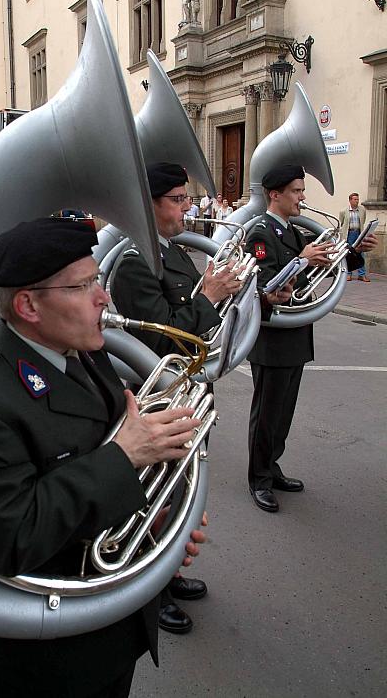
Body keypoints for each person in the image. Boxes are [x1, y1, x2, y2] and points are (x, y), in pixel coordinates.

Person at [0, 217, 206, 698]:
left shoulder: (82, 350)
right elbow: (15, 537)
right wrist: (125, 456)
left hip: (113, 624)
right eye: (83, 286)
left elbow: (99, 462)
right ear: (29, 305)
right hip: (51, 657)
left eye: (97, 279)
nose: (104, 297)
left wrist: (153, 525)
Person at [111, 162, 243, 633]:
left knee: (184, 493)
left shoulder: (173, 252)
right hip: (164, 399)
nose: (187, 208)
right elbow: (161, 341)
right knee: (157, 498)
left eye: (187, 198)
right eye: (177, 200)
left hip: (189, 392)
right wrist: (209, 296)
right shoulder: (134, 263)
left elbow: (199, 323)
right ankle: (152, 590)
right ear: (149, 205)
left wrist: (224, 295)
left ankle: (171, 572)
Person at [244, 165, 377, 514]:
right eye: (296, 191)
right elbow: (263, 283)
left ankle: (272, 467)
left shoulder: (292, 231)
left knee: (283, 413)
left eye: (301, 190)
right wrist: (301, 259)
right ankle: (259, 479)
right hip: (273, 337)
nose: (303, 197)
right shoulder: (260, 233)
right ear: (275, 194)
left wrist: (354, 251)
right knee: (267, 414)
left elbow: (323, 266)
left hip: (296, 334)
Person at [339, 192, 370, 282]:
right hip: (349, 234)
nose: (357, 201)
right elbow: (342, 222)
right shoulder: (344, 211)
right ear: (350, 200)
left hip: (359, 233)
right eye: (355, 199)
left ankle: (361, 274)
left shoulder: (362, 210)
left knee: (361, 253)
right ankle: (348, 274)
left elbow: (363, 220)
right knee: (349, 253)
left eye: (357, 199)